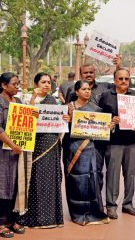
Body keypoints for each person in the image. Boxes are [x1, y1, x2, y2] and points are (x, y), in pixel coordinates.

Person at [17, 73, 68, 229]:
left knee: (51, 178)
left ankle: (51, 217)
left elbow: (58, 121)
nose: (47, 85)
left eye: (49, 82)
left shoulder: (53, 101)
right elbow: (25, 119)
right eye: (43, 82)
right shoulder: (26, 100)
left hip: (51, 144)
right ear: (36, 83)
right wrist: (33, 98)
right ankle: (33, 217)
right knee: (34, 178)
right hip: (34, 145)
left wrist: (65, 119)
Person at [62, 80, 110, 226]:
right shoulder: (68, 108)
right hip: (73, 148)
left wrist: (109, 125)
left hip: (90, 149)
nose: (87, 91)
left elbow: (102, 131)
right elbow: (58, 127)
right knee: (75, 181)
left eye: (89, 89)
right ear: (76, 92)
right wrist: (67, 120)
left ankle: (94, 212)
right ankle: (78, 214)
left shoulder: (96, 109)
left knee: (91, 180)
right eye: (84, 89)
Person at [99, 68, 135, 218]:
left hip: (132, 141)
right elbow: (100, 119)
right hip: (114, 142)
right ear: (115, 80)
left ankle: (128, 204)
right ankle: (111, 205)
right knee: (113, 174)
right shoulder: (106, 96)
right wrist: (111, 121)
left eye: (126, 79)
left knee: (130, 174)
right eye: (121, 79)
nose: (124, 81)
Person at [0, 72, 30, 238]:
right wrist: (12, 145)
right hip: (3, 152)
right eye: (14, 84)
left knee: (16, 185)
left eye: (18, 84)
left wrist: (33, 117)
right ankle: (1, 222)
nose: (17, 87)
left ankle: (12, 220)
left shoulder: (18, 102)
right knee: (3, 185)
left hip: (18, 153)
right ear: (4, 86)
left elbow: (25, 122)